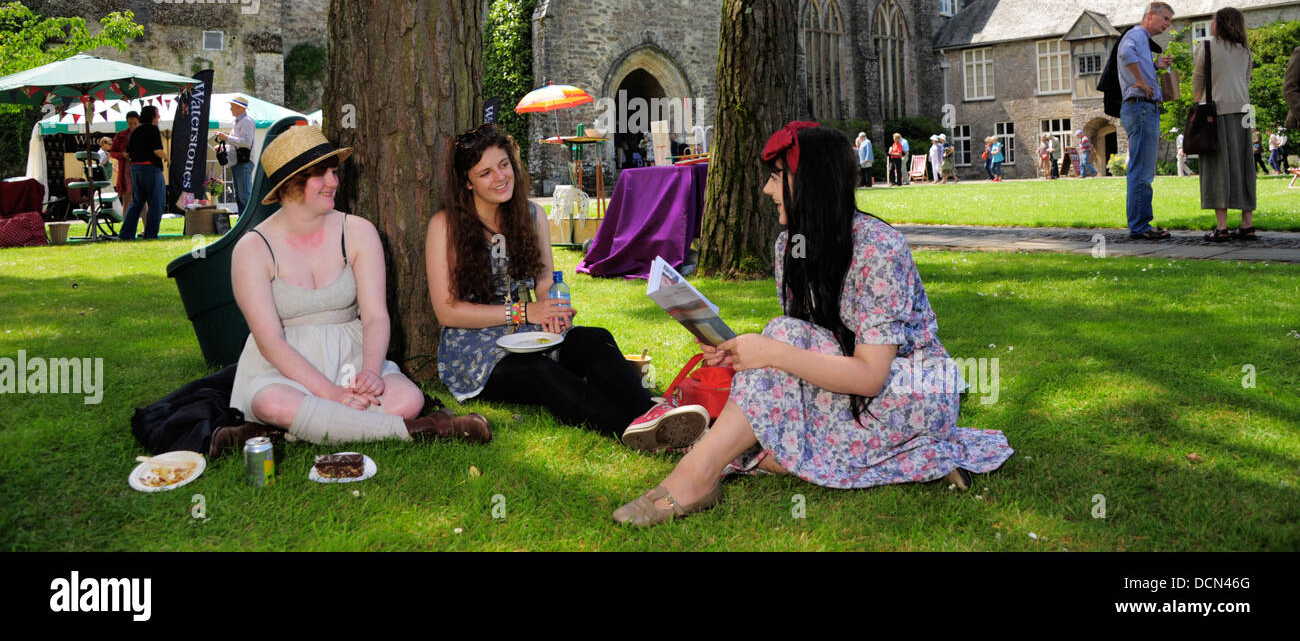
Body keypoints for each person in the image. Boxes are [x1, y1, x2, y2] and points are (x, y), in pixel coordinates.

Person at [612, 123, 1014, 527]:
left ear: (812, 183)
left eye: (776, 177)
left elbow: (870, 376)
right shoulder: (788, 247)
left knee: (779, 345)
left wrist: (771, 352)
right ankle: (740, 460)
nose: (766, 190)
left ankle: (701, 473)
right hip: (845, 385)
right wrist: (737, 353)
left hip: (912, 388)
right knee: (781, 339)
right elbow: (807, 349)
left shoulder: (878, 248)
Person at [427, 123, 707, 449]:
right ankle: (636, 432)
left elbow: (544, 281)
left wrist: (553, 310)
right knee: (540, 372)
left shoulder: (531, 215)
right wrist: (524, 311)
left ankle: (652, 414)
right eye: (485, 173)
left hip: (528, 335)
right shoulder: (444, 226)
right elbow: (447, 312)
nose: (500, 177)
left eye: (504, 165)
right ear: (467, 181)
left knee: (594, 339)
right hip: (475, 353)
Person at [216, 125, 490, 457]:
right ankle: (425, 429)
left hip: (353, 358)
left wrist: (371, 372)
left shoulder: (358, 231)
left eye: (334, 171)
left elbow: (375, 316)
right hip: (285, 368)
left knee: (408, 399)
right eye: (320, 174)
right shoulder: (252, 248)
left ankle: (280, 431)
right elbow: (270, 342)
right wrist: (329, 393)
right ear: (289, 184)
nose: (333, 181)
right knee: (272, 403)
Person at [1193, 8, 1257, 241]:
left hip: (1215, 113)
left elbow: (1198, 79)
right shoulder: (1244, 50)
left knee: (1216, 167)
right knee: (1243, 166)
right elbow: (1246, 80)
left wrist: (1196, 107)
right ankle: (1247, 223)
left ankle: (1221, 227)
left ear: (1219, 24)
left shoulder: (1207, 47)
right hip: (1243, 112)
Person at [1118, 1, 1175, 240]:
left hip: (1140, 108)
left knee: (1141, 169)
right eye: (1165, 19)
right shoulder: (1137, 35)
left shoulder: (1140, 38)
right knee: (1142, 171)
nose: (1167, 25)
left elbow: (1132, 59)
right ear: (1151, 15)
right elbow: (1126, 54)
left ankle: (1140, 224)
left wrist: (1154, 66)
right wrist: (1141, 82)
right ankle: (1141, 226)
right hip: (1142, 107)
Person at [119, 106, 167, 241]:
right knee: (156, 202)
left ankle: (126, 234)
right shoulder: (153, 129)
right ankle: (151, 234)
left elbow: (128, 153)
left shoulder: (135, 131)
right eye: (157, 114)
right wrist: (167, 158)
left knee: (137, 202)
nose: (159, 117)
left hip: (135, 169)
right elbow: (157, 150)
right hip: (150, 169)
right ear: (152, 116)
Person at [216, 96, 256, 211]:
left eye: (232, 107)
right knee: (239, 196)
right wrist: (222, 147)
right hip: (239, 162)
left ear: (239, 107)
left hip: (243, 162)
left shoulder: (246, 121)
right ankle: (243, 220)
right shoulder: (240, 122)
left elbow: (246, 142)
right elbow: (238, 143)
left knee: (244, 196)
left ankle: (250, 220)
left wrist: (226, 138)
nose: (230, 109)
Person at [108, 110, 139, 212]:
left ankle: (145, 223)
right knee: (127, 200)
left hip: (140, 169)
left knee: (142, 200)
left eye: (135, 123)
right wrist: (122, 155)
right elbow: (112, 152)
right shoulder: (121, 135)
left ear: (139, 122)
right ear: (127, 122)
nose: (132, 126)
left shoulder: (143, 134)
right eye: (130, 123)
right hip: (126, 171)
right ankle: (126, 221)